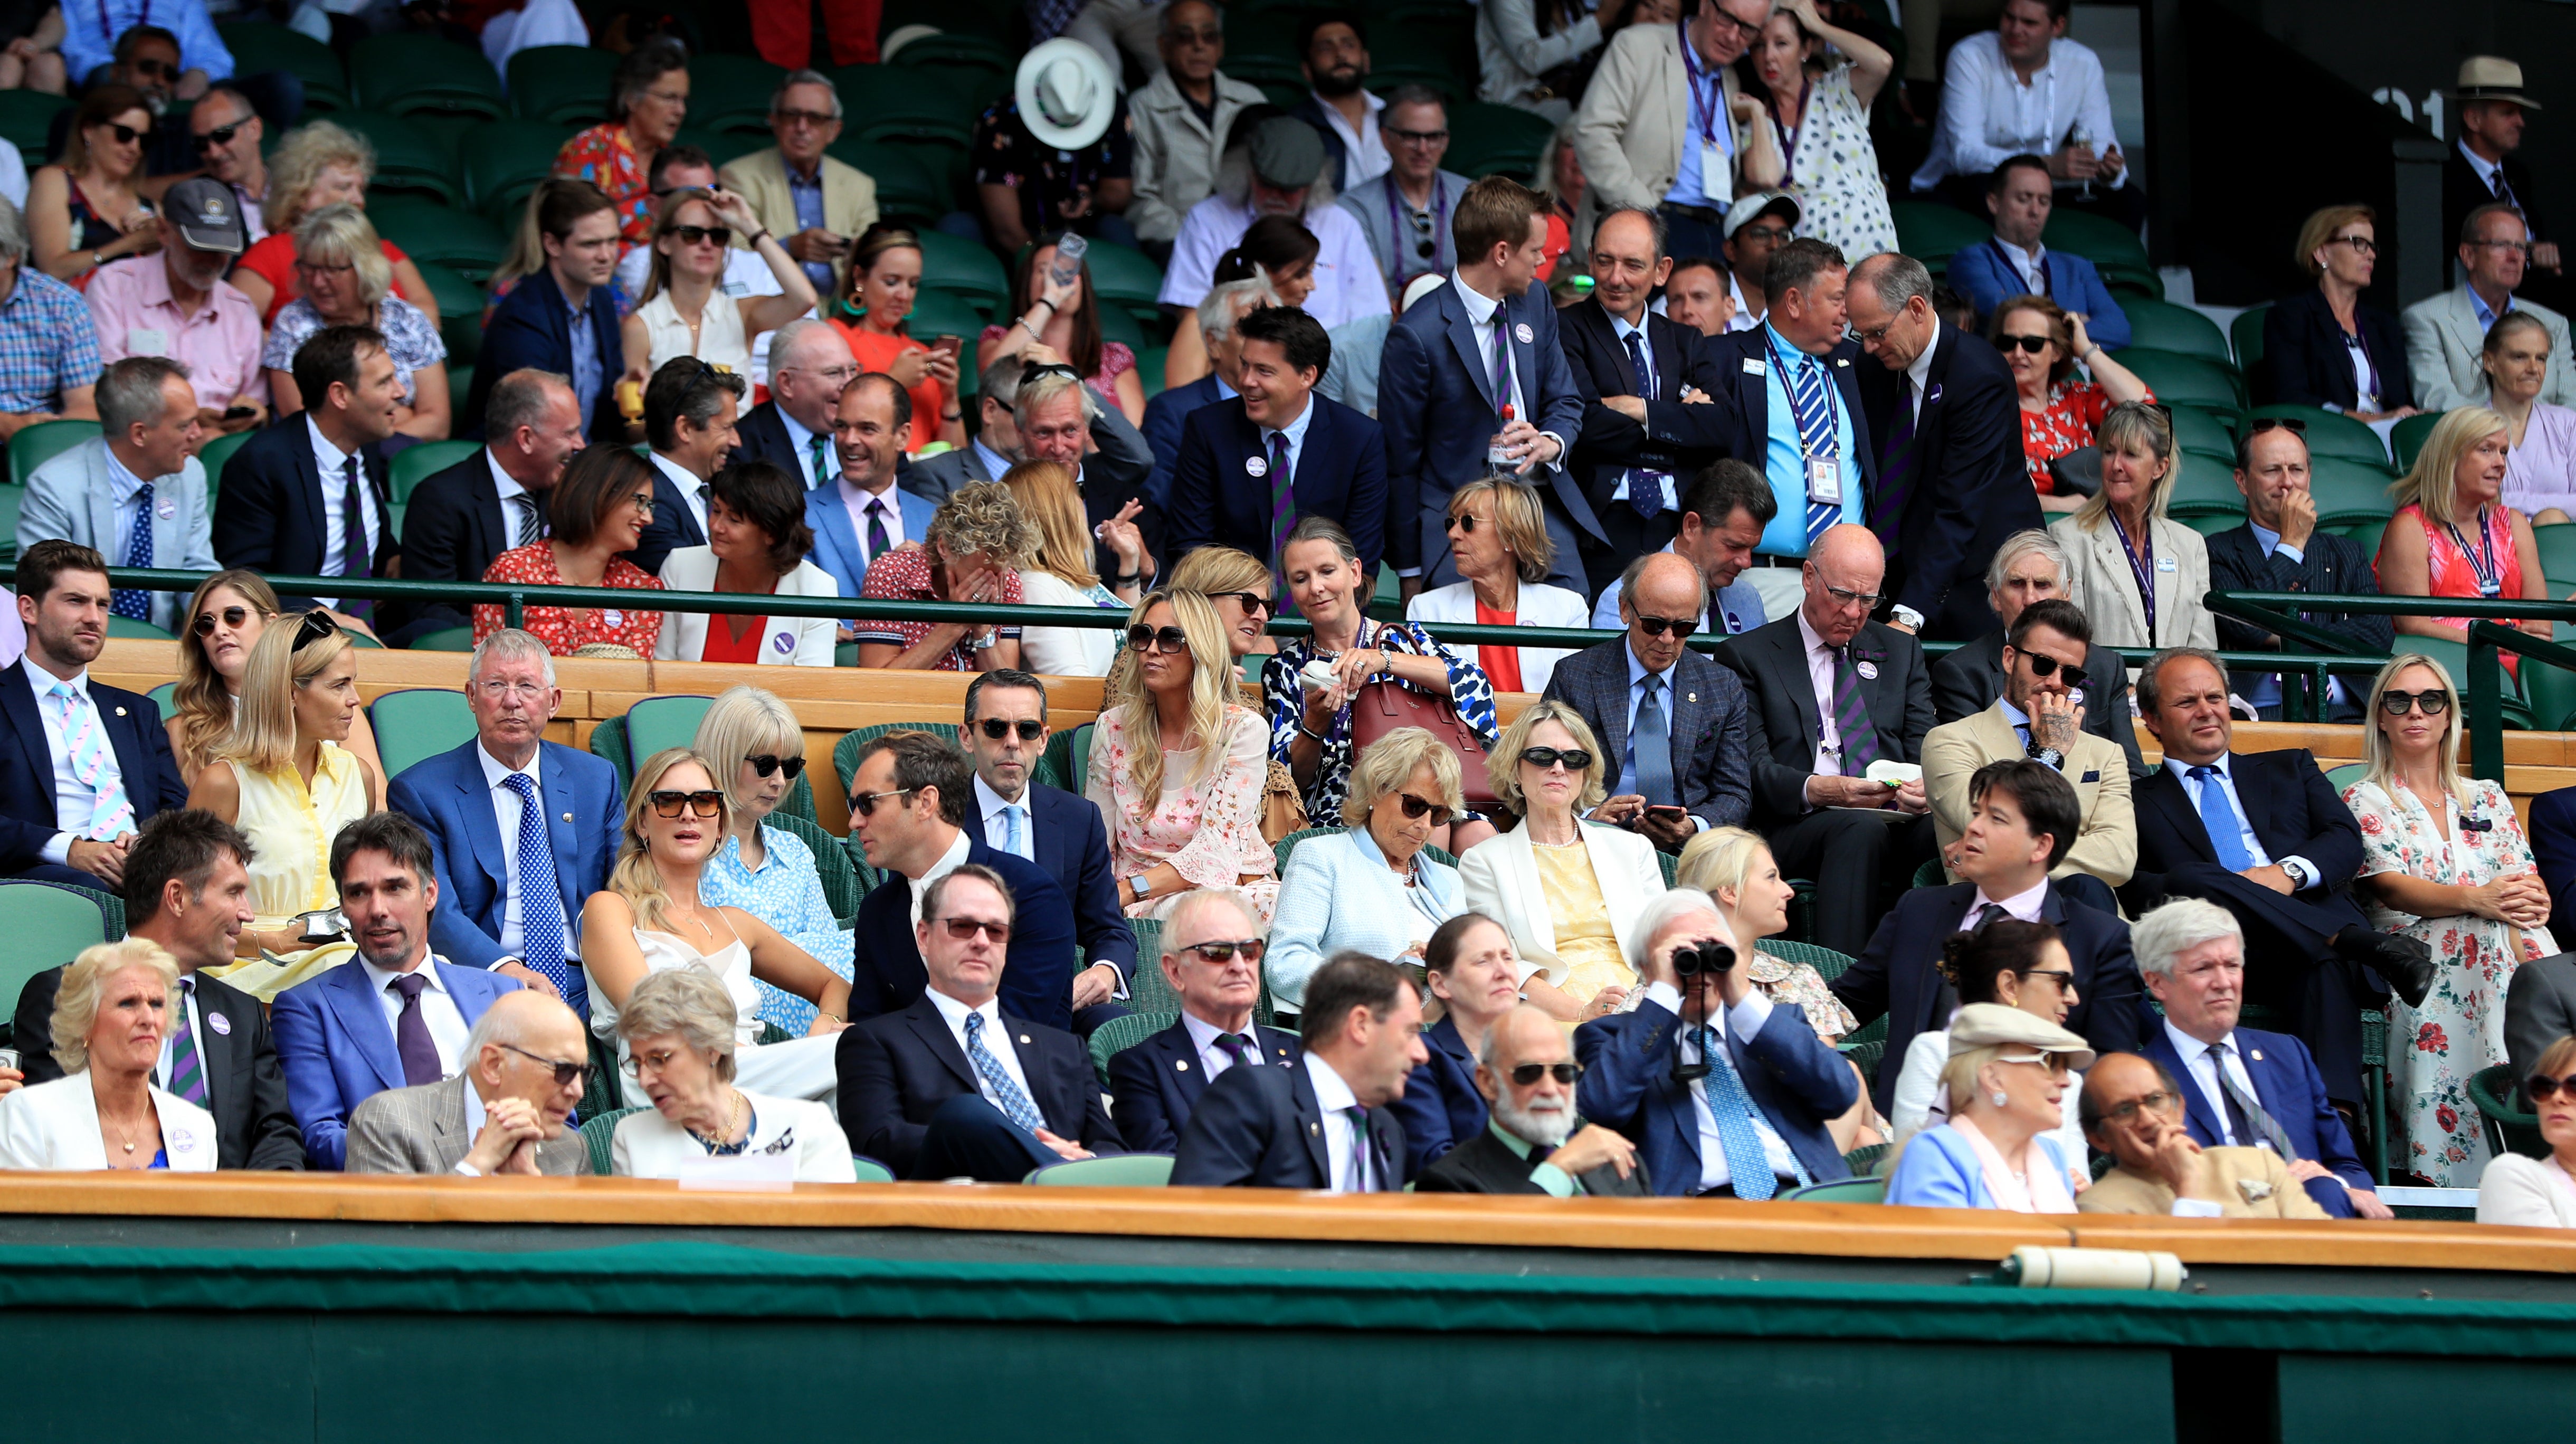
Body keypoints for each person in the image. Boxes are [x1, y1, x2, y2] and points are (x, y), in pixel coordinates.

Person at [2122, 647, 2434, 1112]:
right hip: (2208, 944)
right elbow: (2134, 885)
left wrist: (2285, 874)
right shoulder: (2134, 799)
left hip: (2295, 949)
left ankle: (2337, 1124)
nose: (2206, 710)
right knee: (2193, 877)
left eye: (2215, 697)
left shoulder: (2290, 767)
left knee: (2323, 964)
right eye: (2187, 702)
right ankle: (2357, 943)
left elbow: (2345, 840)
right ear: (2151, 718)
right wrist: (2215, 890)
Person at [2343, 653, 2553, 1186]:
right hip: (2412, 958)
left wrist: (2524, 904)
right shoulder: (2366, 797)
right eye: (2400, 700)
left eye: (2431, 700)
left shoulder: (2487, 795)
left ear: (2448, 716)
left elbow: (2526, 883)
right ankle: (2456, 1168)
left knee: (2518, 934)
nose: (2416, 711)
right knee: (2483, 932)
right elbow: (2389, 886)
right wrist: (2478, 899)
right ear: (2382, 717)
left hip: (2498, 941)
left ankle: (2535, 1137)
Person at [1836, 756, 2138, 1112]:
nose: (1974, 828)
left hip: (2031, 1133)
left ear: (2040, 846)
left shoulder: (2099, 939)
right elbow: (1845, 1005)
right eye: (1976, 813)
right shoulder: (1918, 911)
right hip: (1911, 1125)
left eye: (1995, 819)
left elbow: (2107, 1067)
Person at [9, 810, 301, 1168]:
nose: (248, 914)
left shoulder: (243, 1014)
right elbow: (52, 1130)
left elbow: (275, 1134)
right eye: (234, 893)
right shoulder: (64, 995)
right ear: (177, 897)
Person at [579, 748, 848, 1107]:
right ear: (643, 822)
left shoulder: (735, 923)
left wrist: (826, 1023)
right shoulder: (611, 909)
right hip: (670, 1084)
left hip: (751, 1083)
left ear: (720, 824)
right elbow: (645, 1012)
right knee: (862, 1055)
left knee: (850, 1086)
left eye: (705, 802)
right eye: (669, 801)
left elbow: (835, 985)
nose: (688, 814)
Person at [1713, 524, 1935, 956]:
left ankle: (1933, 984)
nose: (1854, 613)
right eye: (1842, 596)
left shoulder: (1901, 651)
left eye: (1868, 600)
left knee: (1947, 829)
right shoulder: (1748, 655)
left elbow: (1925, 745)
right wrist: (1819, 788)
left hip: (1894, 813)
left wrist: (1925, 788)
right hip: (1798, 822)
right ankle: (1844, 984)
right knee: (1859, 828)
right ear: (1809, 577)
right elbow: (1751, 768)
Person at [270, 811, 526, 1170]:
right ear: (343, 906)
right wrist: (455, 1166)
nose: (377, 910)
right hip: (387, 1208)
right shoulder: (308, 1010)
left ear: (430, 894)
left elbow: (550, 1114)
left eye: (394, 888)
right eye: (358, 893)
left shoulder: (502, 995)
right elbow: (319, 1137)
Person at [383, 628, 619, 1014]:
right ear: (472, 697)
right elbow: (433, 906)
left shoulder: (595, 779)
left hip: (592, 978)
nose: (512, 701)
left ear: (553, 701)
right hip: (482, 977)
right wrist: (506, 970)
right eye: (496, 685)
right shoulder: (422, 791)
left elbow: (624, 887)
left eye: (527, 686)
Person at [838, 863, 1123, 1180]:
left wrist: (1089, 1158)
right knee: (964, 1115)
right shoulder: (875, 1041)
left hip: (1076, 1215)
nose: (981, 942)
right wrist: (980, 1139)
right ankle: (1054, 1174)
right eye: (962, 926)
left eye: (996, 931)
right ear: (924, 937)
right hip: (962, 1209)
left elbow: (1112, 1148)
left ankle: (1059, 1178)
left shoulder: (1064, 1048)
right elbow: (875, 1146)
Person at [1383, 175, 1592, 596]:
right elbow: (1400, 463)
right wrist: (1409, 570)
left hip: (1535, 505)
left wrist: (1549, 441)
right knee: (1460, 645)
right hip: (1457, 519)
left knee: (1573, 610)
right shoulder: (1417, 334)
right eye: (1534, 250)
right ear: (1501, 253)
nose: (1540, 261)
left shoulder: (1535, 301)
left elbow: (1566, 400)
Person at [1575, 888, 1853, 1195]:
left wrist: (1744, 996)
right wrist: (1664, 994)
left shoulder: (1776, 1025)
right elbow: (1603, 1105)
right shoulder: (1614, 1038)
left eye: (1710, 950)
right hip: (1700, 1214)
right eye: (1682, 957)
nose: (1698, 970)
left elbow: (1839, 1094)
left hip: (1808, 1200)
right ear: (1647, 969)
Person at [2130, 896, 2390, 1218]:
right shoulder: (2139, 1082)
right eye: (2203, 969)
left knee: (2326, 1191)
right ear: (2157, 982)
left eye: (2232, 966)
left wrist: (2336, 1183)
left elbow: (2345, 1163)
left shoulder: (2288, 1054)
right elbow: (2155, 1189)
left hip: (2319, 1218)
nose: (2223, 983)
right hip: (2220, 1233)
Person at [1847, 251, 2041, 641]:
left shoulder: (1977, 375)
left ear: (1917, 309)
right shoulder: (1873, 365)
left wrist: (1911, 612)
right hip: (1905, 568)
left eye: (1877, 332)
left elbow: (1960, 505)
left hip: (1977, 579)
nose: (1868, 346)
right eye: (1860, 334)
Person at [844, 728, 1092, 1031]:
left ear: (926, 802)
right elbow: (865, 1021)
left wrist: (884, 1042)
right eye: (853, 805)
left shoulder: (1031, 896)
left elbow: (1011, 1031)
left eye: (868, 803)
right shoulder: (877, 912)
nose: (855, 821)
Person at [1261, 517, 1498, 826]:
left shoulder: (1402, 640)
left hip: (1428, 789)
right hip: (1342, 807)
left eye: (1327, 571)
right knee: (1423, 823)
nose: (1316, 587)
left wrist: (1383, 659)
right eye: (1301, 579)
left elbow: (1476, 688)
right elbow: (1288, 781)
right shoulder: (1283, 669)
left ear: (1355, 572)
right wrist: (1315, 725)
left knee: (1474, 831)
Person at [1558, 207, 1734, 590]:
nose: (1614, 278)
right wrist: (1680, 424)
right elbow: (1587, 426)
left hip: (1681, 528)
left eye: (1632, 265)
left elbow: (1723, 427)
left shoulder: (1683, 340)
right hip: (1602, 525)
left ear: (1661, 270)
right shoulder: (1567, 328)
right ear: (1590, 258)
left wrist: (1638, 409)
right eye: (1604, 261)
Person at [1458, 699, 1666, 1020]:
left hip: (1643, 1004)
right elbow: (1505, 964)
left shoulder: (1633, 849)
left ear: (1585, 773)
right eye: (1542, 757)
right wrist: (1583, 1013)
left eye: (1573, 759)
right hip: (1551, 1015)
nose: (1559, 768)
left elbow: (1666, 944)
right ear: (1516, 771)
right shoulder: (1484, 862)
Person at [184, 612, 378, 954]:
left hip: (345, 958)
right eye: (339, 685)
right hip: (253, 965)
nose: (355, 699)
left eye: (353, 682)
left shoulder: (359, 776)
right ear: (290, 693)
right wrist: (274, 942)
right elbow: (187, 908)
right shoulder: (225, 782)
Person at [1921, 598, 2133, 902]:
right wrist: (2050, 754)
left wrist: (2004, 853)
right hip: (1995, 917)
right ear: (2009, 659)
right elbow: (1991, 829)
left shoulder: (2106, 754)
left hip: (2091, 918)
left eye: (2071, 675)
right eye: (2043, 664)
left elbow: (2120, 860)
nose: (2056, 682)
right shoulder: (1949, 741)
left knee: (2088, 889)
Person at [1094, 587, 1282, 921]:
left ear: (1201, 648)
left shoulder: (1243, 730)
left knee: (1300, 907)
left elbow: (1217, 851)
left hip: (1230, 887)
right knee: (1199, 915)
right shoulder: (1112, 728)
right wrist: (1110, 898)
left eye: (1170, 639)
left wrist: (1128, 889)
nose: (1152, 649)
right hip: (1147, 904)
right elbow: (1098, 841)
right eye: (1143, 636)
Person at [1172, 948, 1423, 1189]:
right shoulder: (1253, 1098)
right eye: (1410, 1032)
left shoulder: (1387, 1128)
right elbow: (1196, 1223)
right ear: (1360, 1025)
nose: (1421, 1054)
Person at [1545, 551, 1751, 843]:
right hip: (1596, 839)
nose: (1667, 639)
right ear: (1625, 610)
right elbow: (1543, 771)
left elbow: (1735, 793)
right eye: (1655, 625)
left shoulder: (1721, 686)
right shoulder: (1575, 677)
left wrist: (1693, 826)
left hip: (1689, 847)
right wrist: (1589, 817)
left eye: (1683, 628)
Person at [1168, 303, 1384, 578]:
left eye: (1264, 371)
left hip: (1323, 606)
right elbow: (1191, 546)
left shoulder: (1358, 439)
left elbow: (1361, 556)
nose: (1246, 380)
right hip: (1228, 604)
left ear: (1307, 376)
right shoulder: (1209, 429)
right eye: (1245, 365)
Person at [1697, 238, 1872, 569]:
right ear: (1794, 302)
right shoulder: (1722, 359)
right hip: (1761, 575)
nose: (1847, 311)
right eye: (1837, 299)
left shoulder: (1862, 364)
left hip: (1848, 579)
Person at [1268, 727, 1467, 1013]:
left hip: (1449, 1036)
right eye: (1414, 806)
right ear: (1377, 789)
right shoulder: (1323, 856)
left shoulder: (1450, 879)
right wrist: (1378, 986)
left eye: (1438, 814)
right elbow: (1286, 963)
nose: (1425, 825)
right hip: (1361, 1034)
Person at [14, 356, 215, 638]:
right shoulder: (54, 486)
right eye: (184, 426)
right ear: (140, 433)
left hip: (163, 647)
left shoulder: (189, 475)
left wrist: (222, 611)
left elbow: (197, 570)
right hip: (78, 647)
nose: (198, 434)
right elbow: (46, 592)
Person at [960, 669, 1135, 987]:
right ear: (967, 737)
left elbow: (1107, 928)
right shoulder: (937, 815)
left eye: (1027, 729)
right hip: (963, 991)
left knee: (1114, 1025)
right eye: (996, 728)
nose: (1013, 742)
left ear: (1042, 740)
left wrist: (1106, 970)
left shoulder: (1079, 819)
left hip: (1057, 999)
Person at [2207, 419, 2392, 720]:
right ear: (2242, 481)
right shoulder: (2216, 550)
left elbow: (2378, 634)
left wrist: (2280, 636)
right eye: (2272, 471)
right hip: (2262, 714)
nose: (2287, 483)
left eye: (2297, 470)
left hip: (2348, 712)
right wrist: (2291, 546)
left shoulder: (2346, 551)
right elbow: (2244, 626)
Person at [1884, 917, 2092, 1183]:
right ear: (2009, 986)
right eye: (2060, 982)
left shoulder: (2069, 1081)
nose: (2073, 998)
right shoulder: (1937, 1052)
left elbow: (2077, 1182)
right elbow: (1916, 1167)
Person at [388, 370, 587, 645]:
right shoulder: (441, 500)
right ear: (526, 438)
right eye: (569, 433)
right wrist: (521, 640)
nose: (580, 444)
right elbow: (432, 612)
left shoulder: (568, 495)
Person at [1569, 0, 1776, 260]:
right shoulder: (1638, 46)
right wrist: (1642, 213)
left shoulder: (1730, 78)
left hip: (1714, 232)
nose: (1733, 36)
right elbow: (1593, 133)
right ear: (1703, 5)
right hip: (1648, 221)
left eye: (1747, 29)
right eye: (1726, 18)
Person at [211, 324, 397, 613]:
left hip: (373, 626)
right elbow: (243, 580)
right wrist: (320, 617)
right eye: (385, 382)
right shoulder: (262, 463)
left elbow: (372, 547)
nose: (401, 391)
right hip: (294, 636)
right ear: (340, 396)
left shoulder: (366, 445)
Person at [1908, 0, 2137, 230]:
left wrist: (2107, 171)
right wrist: (2044, 165)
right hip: (1966, 184)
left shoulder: (2082, 64)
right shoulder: (1970, 56)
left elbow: (2102, 145)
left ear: (2057, 27)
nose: (2016, 30)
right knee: (1991, 193)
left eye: (2029, 23)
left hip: (2044, 188)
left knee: (2128, 200)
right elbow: (1965, 155)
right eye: (2009, 18)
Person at [610, 965, 855, 1180]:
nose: (644, 1080)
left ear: (711, 1049)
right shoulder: (632, 1138)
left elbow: (826, 1229)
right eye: (637, 1064)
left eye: (658, 1059)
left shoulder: (807, 1126)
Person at [1104, 888, 1301, 1152]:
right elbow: (1166, 1175)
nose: (1239, 966)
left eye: (1249, 950)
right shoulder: (1141, 1070)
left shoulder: (1303, 1055)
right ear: (1175, 971)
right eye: (1217, 952)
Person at [1928, 528, 2141, 771]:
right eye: (2017, 584)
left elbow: (2131, 770)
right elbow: (1970, 772)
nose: (2030, 598)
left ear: (2067, 593)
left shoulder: (2106, 666)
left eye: (2043, 584)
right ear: (1996, 596)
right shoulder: (1962, 672)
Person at [0, 938, 213, 1170]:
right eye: (127, 1003)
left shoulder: (198, 1126)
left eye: (156, 1004)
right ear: (85, 1025)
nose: (148, 1019)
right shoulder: (29, 1115)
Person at [1157, 113, 1381, 332]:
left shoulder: (1342, 224)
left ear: (1313, 184)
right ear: (1249, 174)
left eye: (1290, 189)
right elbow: (1192, 316)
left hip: (1331, 359)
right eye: (1267, 183)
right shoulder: (1207, 219)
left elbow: (1371, 319)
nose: (1276, 196)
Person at [164, 571, 383, 786]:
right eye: (206, 624)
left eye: (234, 616)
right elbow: (206, 817)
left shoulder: (335, 706)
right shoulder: (187, 729)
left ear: (270, 623)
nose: (220, 631)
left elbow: (378, 800)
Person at [345, 989, 591, 1175]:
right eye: (564, 1069)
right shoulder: (390, 1123)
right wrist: (475, 1168)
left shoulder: (570, 1151)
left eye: (583, 1072)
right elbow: (391, 1242)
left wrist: (529, 1194)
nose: (577, 1091)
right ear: (494, 1065)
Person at [82, 178, 262, 432]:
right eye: (199, 246)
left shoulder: (240, 310)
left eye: (222, 249)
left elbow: (255, 400)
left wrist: (251, 413)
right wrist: (191, 419)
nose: (211, 260)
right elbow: (107, 393)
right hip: (139, 441)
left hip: (218, 442)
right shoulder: (114, 287)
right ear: (163, 232)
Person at [2377, 405, 2551, 661]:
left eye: (2503, 452)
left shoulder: (2514, 524)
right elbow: (2414, 627)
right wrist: (2497, 643)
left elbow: (2541, 626)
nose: (2500, 463)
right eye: (2486, 450)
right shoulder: (2411, 528)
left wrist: (2512, 645)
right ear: (2451, 457)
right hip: (2446, 665)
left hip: (2517, 660)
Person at [1417, 1002, 1649, 1194]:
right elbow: (1507, 1247)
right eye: (1528, 1072)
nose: (1550, 1089)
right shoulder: (1449, 1182)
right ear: (1488, 1082)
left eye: (1563, 1072)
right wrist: (1560, 1169)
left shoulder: (1617, 1160)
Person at [259, 206, 448, 440]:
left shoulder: (407, 320)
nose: (317, 282)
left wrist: (361, 431)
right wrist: (397, 419)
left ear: (365, 268)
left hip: (399, 460)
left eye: (332, 270)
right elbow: (305, 427)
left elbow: (437, 424)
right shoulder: (293, 323)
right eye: (310, 268)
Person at [1881, 1002, 2091, 1210]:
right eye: (2051, 1064)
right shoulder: (1934, 1154)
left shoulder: (2051, 1154)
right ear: (1993, 1078)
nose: (2066, 1081)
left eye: (2065, 1067)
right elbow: (1950, 1244)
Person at [229, 120, 436, 327]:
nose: (358, 200)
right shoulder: (270, 253)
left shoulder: (385, 250)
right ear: (301, 193)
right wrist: (299, 342)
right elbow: (232, 332)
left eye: (361, 189)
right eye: (343, 187)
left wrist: (371, 342)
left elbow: (427, 318)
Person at [2048, 401, 2214, 658]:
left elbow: (2204, 650)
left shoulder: (2190, 544)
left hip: (2177, 695)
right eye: (2108, 452)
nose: (2116, 465)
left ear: (2160, 468)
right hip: (2107, 695)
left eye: (2131, 454)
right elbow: (2071, 645)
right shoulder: (2068, 537)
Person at [2077, 1051, 2330, 1217]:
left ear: (2180, 1109)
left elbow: (2327, 1249)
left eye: (2155, 1100)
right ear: (2098, 1138)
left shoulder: (2258, 1163)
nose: (2148, 1120)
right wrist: (2186, 1185)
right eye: (2125, 1111)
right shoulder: (2100, 1208)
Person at [471, 444, 664, 656]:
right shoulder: (514, 572)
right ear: (599, 493)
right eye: (640, 501)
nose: (648, 518)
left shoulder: (642, 590)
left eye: (650, 506)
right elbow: (492, 671)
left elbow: (631, 683)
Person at [1741, 0, 1896, 261]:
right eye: (1759, 45)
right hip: (1809, 253)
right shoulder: (1754, 120)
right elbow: (1765, 178)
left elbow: (1881, 63)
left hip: (1867, 239)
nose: (1769, 56)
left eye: (1782, 44)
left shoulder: (1836, 90)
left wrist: (1818, 25)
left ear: (1805, 49)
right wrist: (1757, 114)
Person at [1406, 478, 1591, 695]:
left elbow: (1568, 703)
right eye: (1451, 522)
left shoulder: (1567, 609)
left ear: (1511, 537)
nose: (1453, 534)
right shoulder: (1427, 610)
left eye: (1468, 522)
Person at [471, 179, 623, 442]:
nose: (606, 255)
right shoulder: (523, 314)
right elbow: (535, 419)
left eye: (612, 241)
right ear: (552, 245)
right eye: (591, 244)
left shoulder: (602, 301)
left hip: (577, 461)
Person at [620, 186, 816, 385]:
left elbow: (804, 299)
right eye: (692, 234)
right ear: (664, 243)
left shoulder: (742, 314)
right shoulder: (641, 326)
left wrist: (749, 225)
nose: (707, 244)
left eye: (718, 236)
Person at [1384, 908, 1526, 1177]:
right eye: (1483, 961)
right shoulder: (1421, 1058)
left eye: (1507, 958)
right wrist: (1554, 1171)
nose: (1503, 972)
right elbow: (1436, 1166)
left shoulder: (1535, 1056)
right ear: (1440, 984)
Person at [719, 70, 878, 305]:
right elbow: (729, 256)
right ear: (775, 122)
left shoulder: (859, 185)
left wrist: (857, 256)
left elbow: (878, 257)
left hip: (842, 313)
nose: (802, 127)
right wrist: (790, 248)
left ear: (834, 130)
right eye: (791, 116)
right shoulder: (739, 176)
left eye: (815, 119)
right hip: (771, 311)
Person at [654, 462, 835, 667]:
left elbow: (809, 687)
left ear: (772, 532)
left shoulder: (818, 588)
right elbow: (662, 669)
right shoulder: (680, 566)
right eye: (715, 511)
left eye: (733, 520)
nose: (716, 526)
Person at [1942, 156, 2132, 347]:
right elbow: (2009, 319)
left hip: (2079, 377)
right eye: (2024, 199)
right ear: (1994, 203)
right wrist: (2077, 324)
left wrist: (2047, 329)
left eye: (2044, 201)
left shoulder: (2078, 267)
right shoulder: (1971, 261)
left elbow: (2120, 329)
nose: (2035, 211)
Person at [972, 39, 1135, 258]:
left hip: (1082, 233)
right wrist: (1051, 272)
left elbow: (1118, 192)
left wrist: (1091, 203)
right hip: (1022, 233)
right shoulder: (998, 121)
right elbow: (1007, 231)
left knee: (1116, 230)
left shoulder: (1113, 108)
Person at [2407, 204, 2576, 413]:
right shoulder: (2427, 318)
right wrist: (2508, 437)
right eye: (2501, 245)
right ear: (2468, 255)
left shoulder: (2554, 324)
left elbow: (2572, 405)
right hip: (2474, 442)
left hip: (2552, 444)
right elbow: (2439, 400)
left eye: (2521, 247)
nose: (2514, 256)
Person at [1126, 0, 1266, 247]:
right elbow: (1141, 199)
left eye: (1209, 36)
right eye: (1184, 37)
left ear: (1221, 46)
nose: (1199, 46)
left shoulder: (1250, 99)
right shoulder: (1143, 106)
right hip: (1177, 240)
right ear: (1163, 47)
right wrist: (1195, 237)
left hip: (1251, 239)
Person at [853, 479, 1032, 672]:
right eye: (976, 574)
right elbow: (878, 683)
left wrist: (983, 627)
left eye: (996, 573)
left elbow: (1005, 691)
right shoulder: (892, 574)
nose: (987, 584)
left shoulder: (1008, 582)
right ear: (943, 548)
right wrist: (954, 624)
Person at [1992, 294, 2153, 508]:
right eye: (2008, 343)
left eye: (2033, 344)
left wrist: (2086, 350)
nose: (2018, 353)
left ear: (2057, 352)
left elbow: (2142, 406)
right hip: (2028, 534)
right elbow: (1990, 496)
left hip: (2091, 530)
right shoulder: (1986, 407)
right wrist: (2066, 506)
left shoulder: (2075, 396)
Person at [801, 369, 937, 621]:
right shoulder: (799, 515)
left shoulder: (934, 519)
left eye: (867, 429)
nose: (850, 440)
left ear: (902, 436)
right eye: (842, 427)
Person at [2263, 204, 2417, 420]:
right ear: (2321, 252)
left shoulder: (2384, 326)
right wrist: (2369, 419)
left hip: (2390, 436)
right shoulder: (2292, 317)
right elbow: (2291, 397)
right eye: (2359, 243)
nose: (2371, 255)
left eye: (2372, 247)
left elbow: (2403, 400)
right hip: (2332, 436)